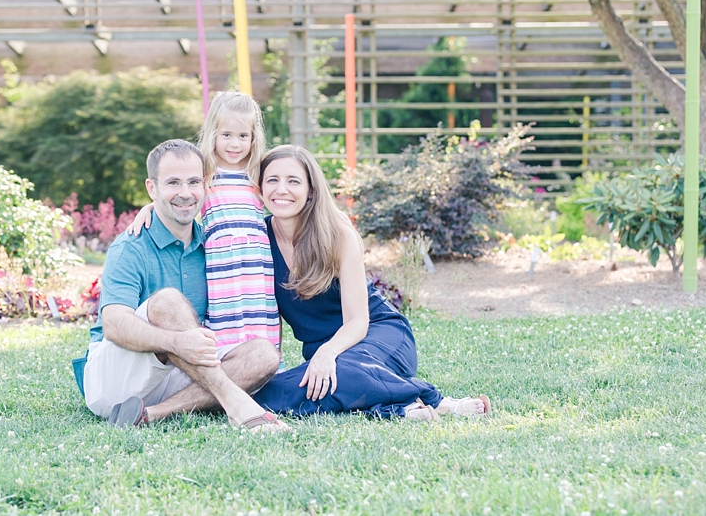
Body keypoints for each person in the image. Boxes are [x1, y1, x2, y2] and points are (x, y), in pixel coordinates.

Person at [252, 145, 491, 420]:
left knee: (342, 372)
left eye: (293, 181)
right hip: (328, 356)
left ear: (311, 191)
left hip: (379, 336)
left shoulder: (337, 234)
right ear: (259, 189)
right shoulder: (258, 239)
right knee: (268, 394)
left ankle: (435, 400)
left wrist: (327, 353)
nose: (281, 189)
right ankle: (401, 409)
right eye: (272, 180)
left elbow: (357, 322)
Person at [83, 139, 288, 432]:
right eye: (173, 183)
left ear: (205, 186)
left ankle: (152, 414)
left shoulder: (214, 245)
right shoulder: (130, 246)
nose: (185, 193)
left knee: (264, 353)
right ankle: (235, 402)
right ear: (151, 189)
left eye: (193, 182)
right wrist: (175, 342)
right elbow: (114, 324)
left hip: (181, 374)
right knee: (168, 301)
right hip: (118, 380)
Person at [131, 92, 280, 357]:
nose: (235, 144)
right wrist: (150, 206)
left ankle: (265, 368)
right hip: (222, 265)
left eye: (243, 136)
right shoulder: (206, 171)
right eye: (226, 135)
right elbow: (180, 194)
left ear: (253, 138)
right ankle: (227, 364)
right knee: (226, 315)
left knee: (259, 314)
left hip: (256, 263)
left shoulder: (257, 171)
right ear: (213, 133)